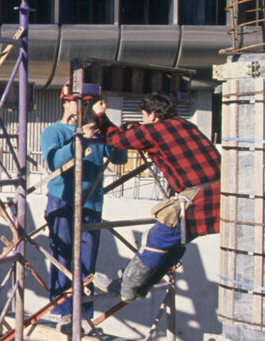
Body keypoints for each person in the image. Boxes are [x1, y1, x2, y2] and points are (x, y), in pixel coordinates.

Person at [90, 91, 221, 300]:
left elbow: (116, 140)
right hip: (217, 195)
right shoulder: (187, 125)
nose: (143, 120)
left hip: (196, 197)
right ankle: (141, 287)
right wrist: (137, 128)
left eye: (143, 116)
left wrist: (100, 116)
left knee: (158, 237)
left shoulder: (154, 131)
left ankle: (126, 288)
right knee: (176, 243)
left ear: (152, 115)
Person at [42, 85, 126, 318]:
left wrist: (103, 122)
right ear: (65, 103)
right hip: (63, 201)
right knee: (63, 254)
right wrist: (80, 141)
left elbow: (120, 156)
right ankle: (61, 309)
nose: (82, 108)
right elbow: (54, 161)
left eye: (86, 104)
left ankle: (83, 311)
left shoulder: (97, 130)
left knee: (87, 259)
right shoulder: (54, 131)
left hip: (91, 203)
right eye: (77, 102)